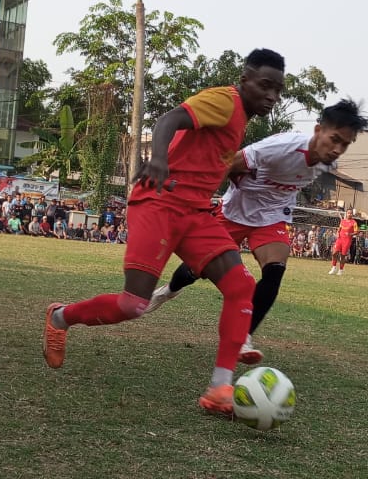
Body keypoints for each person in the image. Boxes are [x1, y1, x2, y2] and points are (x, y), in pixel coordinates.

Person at [42, 49, 286, 415]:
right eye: (265, 85)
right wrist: (157, 159)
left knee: (240, 286)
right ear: (245, 79)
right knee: (133, 304)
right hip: (159, 203)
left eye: (278, 90)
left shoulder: (241, 120)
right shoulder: (224, 101)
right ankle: (60, 316)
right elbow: (169, 120)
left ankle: (220, 388)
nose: (271, 96)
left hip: (196, 213)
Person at [145, 99, 368, 363]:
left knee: (275, 270)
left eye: (345, 144)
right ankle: (168, 291)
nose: (337, 149)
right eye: (334, 139)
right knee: (194, 270)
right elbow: (228, 164)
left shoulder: (325, 163)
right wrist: (193, 196)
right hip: (234, 213)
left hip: (272, 218)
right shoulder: (280, 147)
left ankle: (243, 337)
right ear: (318, 130)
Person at [329, 208, 359, 275]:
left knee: (342, 256)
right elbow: (339, 229)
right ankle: (333, 268)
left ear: (352, 214)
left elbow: (357, 232)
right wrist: (337, 233)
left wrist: (350, 234)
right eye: (348, 213)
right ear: (346, 213)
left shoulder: (354, 222)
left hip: (347, 241)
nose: (349, 214)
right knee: (334, 253)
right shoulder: (342, 221)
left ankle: (341, 270)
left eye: (351, 213)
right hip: (339, 239)